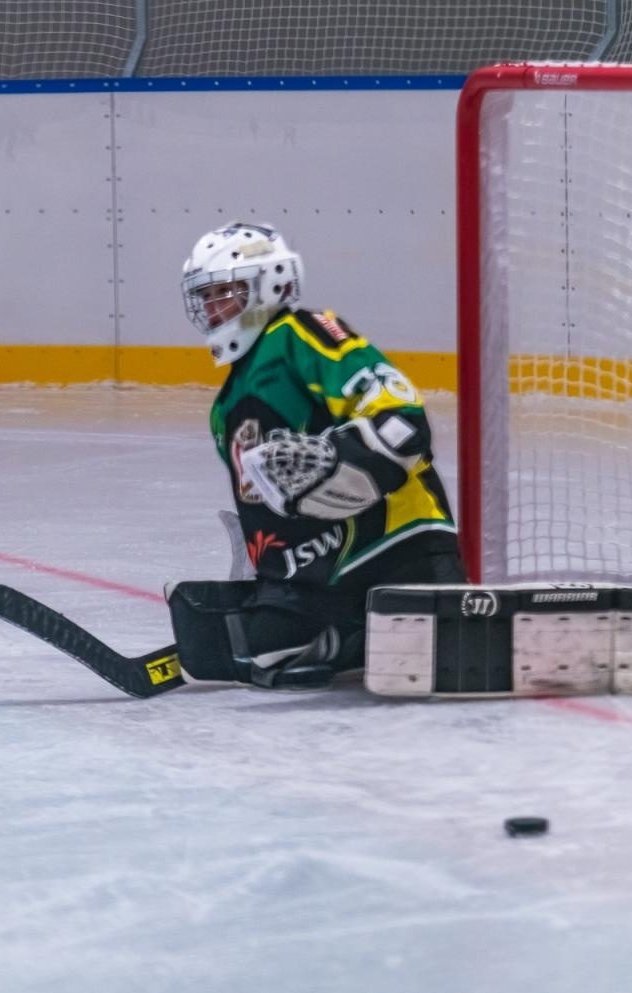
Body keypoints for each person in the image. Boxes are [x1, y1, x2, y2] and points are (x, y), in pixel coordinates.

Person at [167, 221, 466, 689]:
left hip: (399, 545)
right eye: (204, 296)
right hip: (318, 576)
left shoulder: (301, 334)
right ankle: (345, 631)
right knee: (266, 649)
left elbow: (402, 422)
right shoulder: (225, 409)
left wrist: (340, 461)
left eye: (223, 291)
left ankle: (348, 632)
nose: (210, 307)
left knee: (270, 649)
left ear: (269, 284)